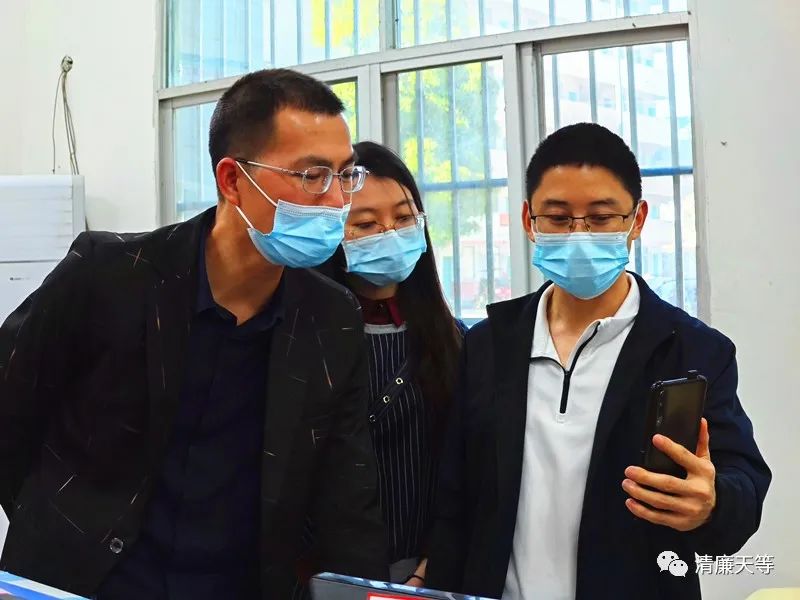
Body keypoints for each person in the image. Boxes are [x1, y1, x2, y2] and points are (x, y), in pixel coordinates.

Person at [0, 68, 388, 599]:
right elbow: (10, 408)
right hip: (83, 583)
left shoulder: (331, 316)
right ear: (232, 180)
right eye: (311, 175)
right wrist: (53, 522)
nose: (337, 199)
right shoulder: (109, 274)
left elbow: (347, 494)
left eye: (345, 174)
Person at [425, 123, 771, 600]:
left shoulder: (693, 350)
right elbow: (454, 499)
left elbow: (743, 485)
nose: (578, 235)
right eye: (558, 218)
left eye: (601, 217)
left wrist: (712, 504)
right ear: (529, 219)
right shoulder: (489, 345)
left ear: (637, 219)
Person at [318, 141, 465, 587]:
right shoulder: (306, 341)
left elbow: (468, 467)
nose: (390, 233)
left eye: (403, 218)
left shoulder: (455, 339)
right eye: (366, 224)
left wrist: (431, 564)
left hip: (433, 571)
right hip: (333, 574)